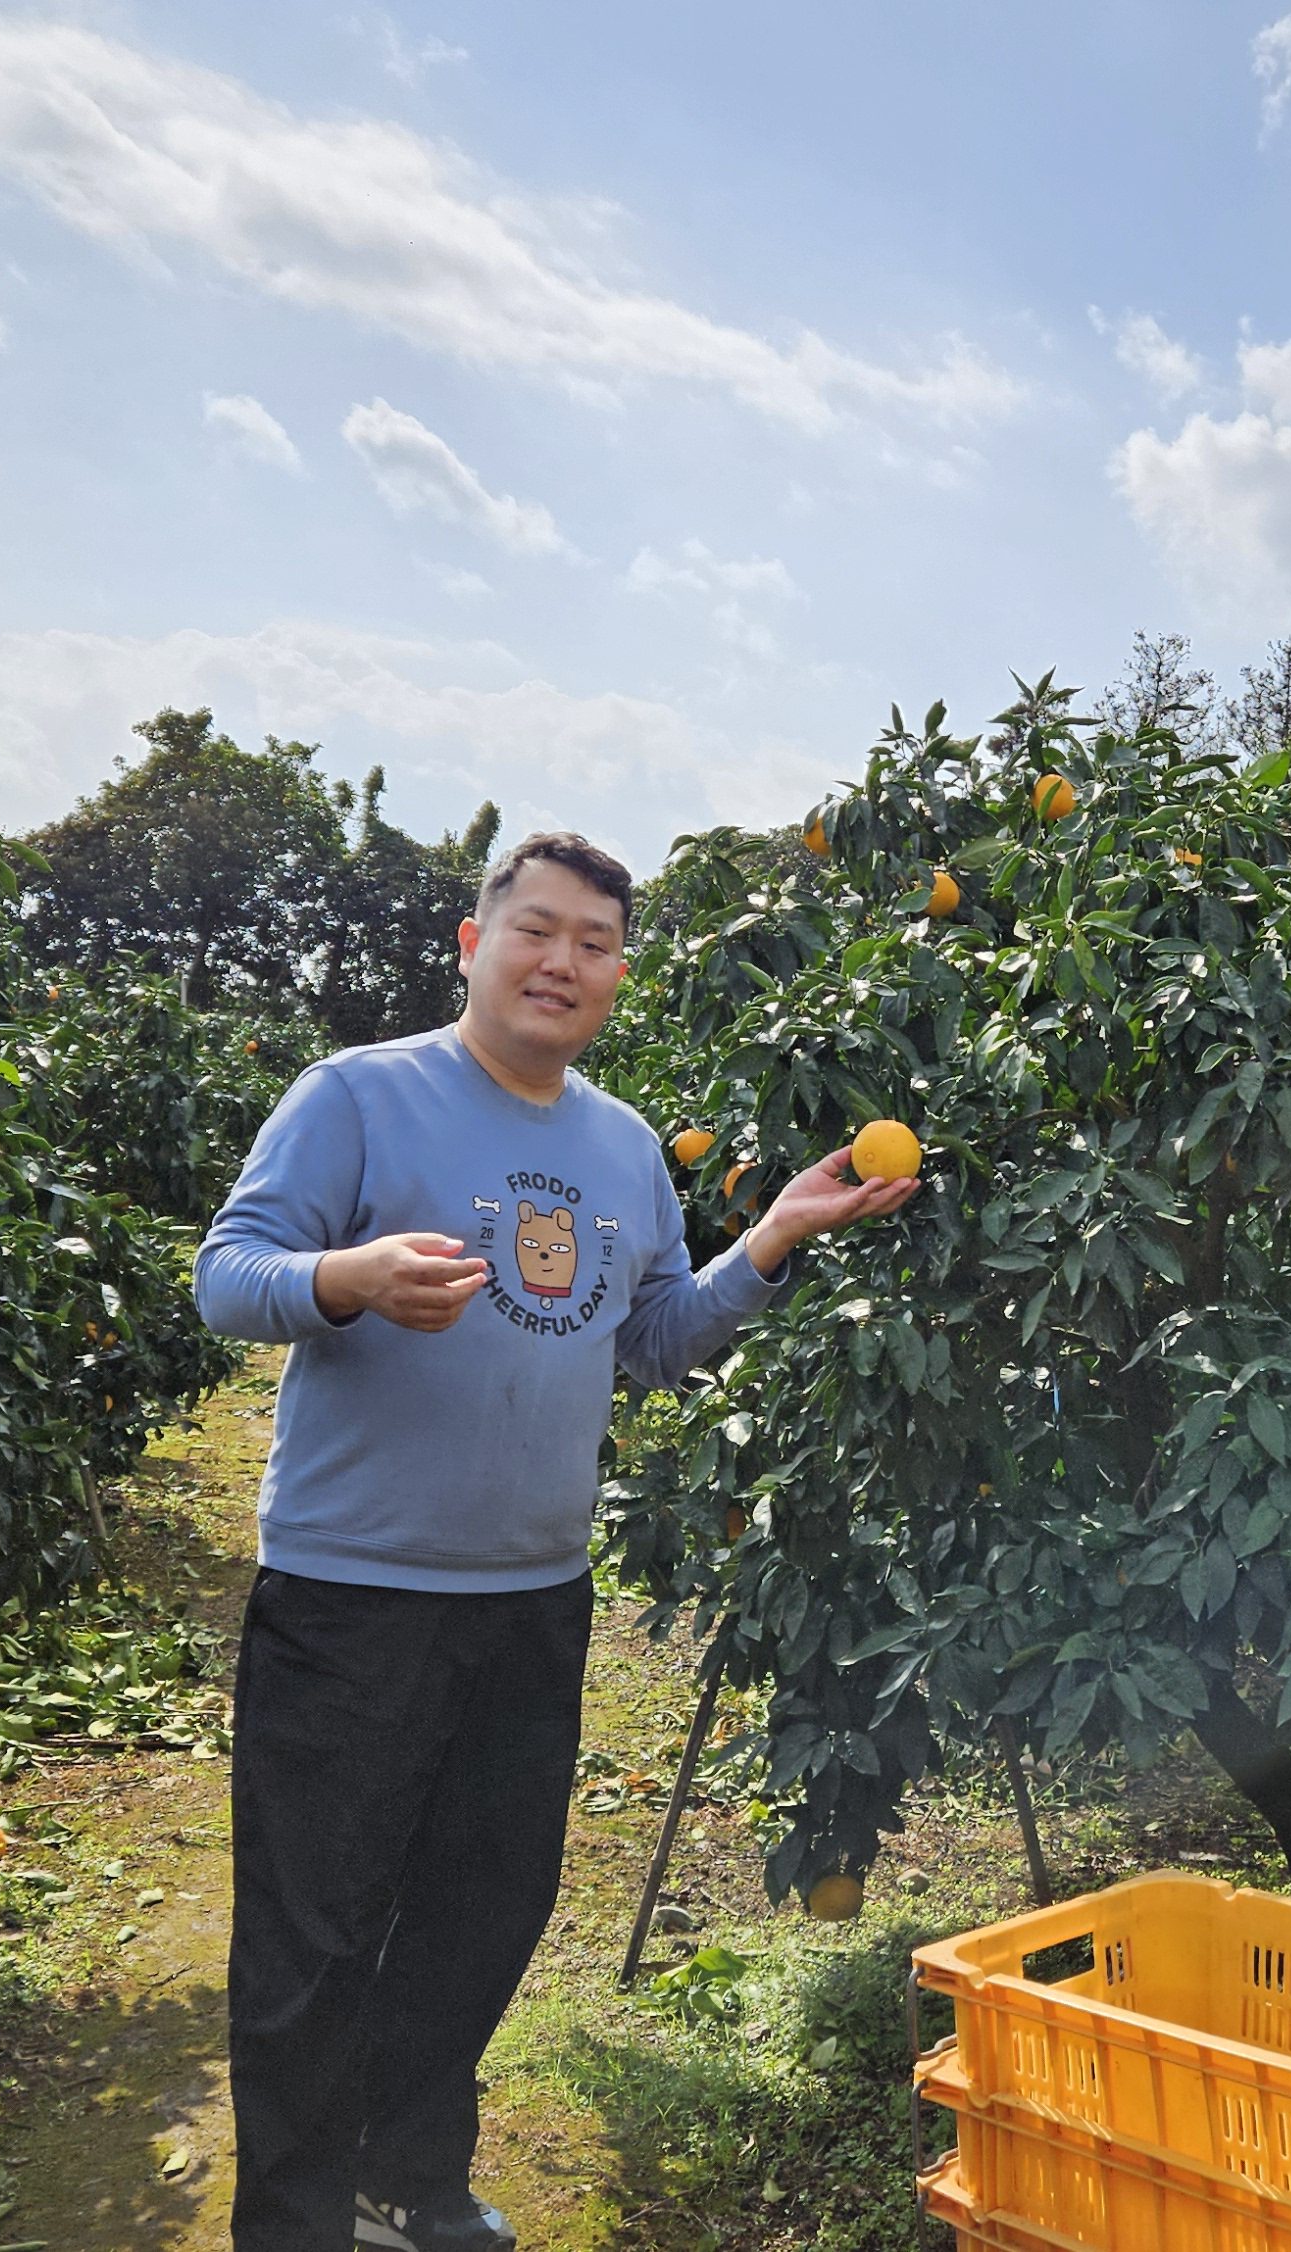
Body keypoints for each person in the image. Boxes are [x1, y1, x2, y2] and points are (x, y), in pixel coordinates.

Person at [192, 831, 911, 2251]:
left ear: (617, 974)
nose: (562, 960)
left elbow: (649, 1341)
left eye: (593, 942)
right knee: (314, 1934)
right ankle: (291, 2223)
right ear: (475, 943)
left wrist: (769, 1238)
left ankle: (412, 2174)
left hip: (532, 1599)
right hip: (354, 1597)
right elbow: (230, 1275)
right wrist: (346, 1278)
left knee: (481, 1913)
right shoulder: (359, 1098)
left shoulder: (624, 1146)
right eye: (536, 930)